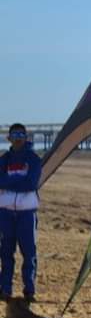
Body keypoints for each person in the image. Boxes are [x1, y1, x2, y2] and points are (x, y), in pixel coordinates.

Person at [0, 123, 42, 302]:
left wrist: (9, 181)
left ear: (26, 137)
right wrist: (18, 180)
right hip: (6, 213)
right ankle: (5, 289)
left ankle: (29, 291)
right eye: (14, 135)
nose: (18, 139)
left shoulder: (33, 159)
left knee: (29, 253)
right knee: (5, 253)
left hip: (26, 213)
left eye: (21, 135)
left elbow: (31, 184)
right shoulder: (3, 160)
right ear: (9, 138)